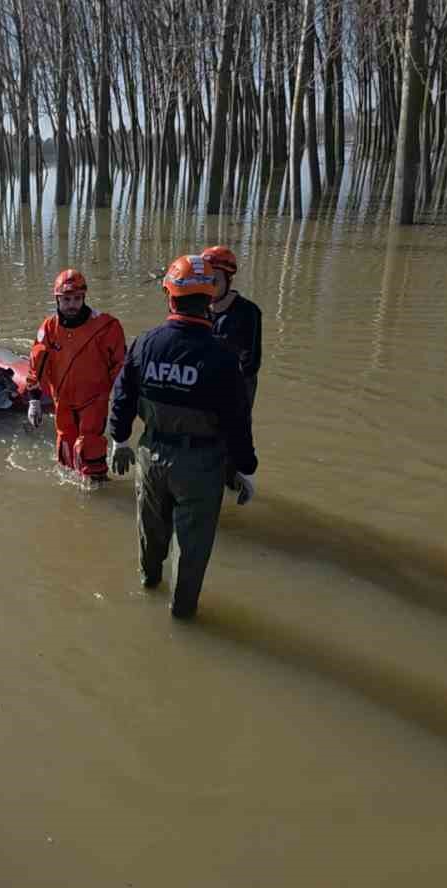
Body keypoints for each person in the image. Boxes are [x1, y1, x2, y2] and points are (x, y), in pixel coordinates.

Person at [107, 255, 258, 620]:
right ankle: (182, 614)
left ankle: (148, 582)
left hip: (151, 455)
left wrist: (119, 440)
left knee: (150, 530)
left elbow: (122, 396)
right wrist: (244, 467)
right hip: (201, 464)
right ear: (208, 299)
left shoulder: (145, 344)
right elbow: (238, 420)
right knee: (192, 547)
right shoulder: (223, 357)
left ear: (170, 297)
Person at [26, 269, 127, 479]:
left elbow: (120, 367)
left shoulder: (106, 326)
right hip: (62, 400)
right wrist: (34, 400)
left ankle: (97, 488)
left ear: (84, 298)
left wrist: (121, 412)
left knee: (91, 451)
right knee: (65, 454)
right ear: (57, 299)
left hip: (94, 400)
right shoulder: (49, 328)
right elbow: (37, 364)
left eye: (77, 299)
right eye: (66, 299)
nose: (72, 305)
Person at [201, 245, 262, 407]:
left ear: (229, 280)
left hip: (236, 390)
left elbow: (250, 364)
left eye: (214, 281)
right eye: (204, 280)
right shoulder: (199, 308)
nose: (208, 287)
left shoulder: (248, 312)